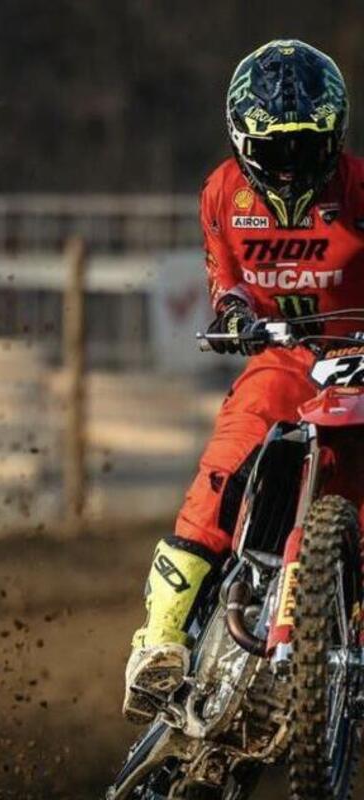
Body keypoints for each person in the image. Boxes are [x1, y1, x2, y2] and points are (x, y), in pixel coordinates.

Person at [123, 39, 364, 724]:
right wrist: (234, 316)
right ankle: (160, 640)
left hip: (361, 358)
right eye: (274, 148)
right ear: (242, 141)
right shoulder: (222, 194)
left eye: (305, 147)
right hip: (286, 358)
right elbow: (225, 284)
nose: (289, 166)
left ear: (334, 138)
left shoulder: (361, 191)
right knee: (223, 470)